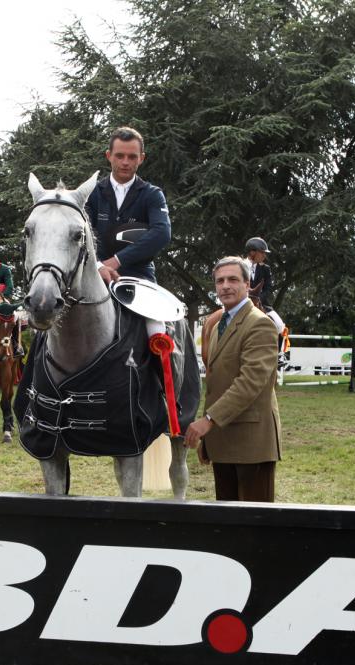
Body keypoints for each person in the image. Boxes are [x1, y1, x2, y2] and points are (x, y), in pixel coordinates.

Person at [184, 256, 281, 502]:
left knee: (254, 529)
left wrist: (208, 421)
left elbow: (249, 383)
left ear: (247, 284)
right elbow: (218, 383)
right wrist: (210, 437)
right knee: (227, 527)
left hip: (251, 444)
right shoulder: (217, 326)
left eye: (233, 279)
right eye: (219, 281)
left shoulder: (260, 324)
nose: (225, 286)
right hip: (223, 440)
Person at [86, 127, 171, 286]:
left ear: (141, 158)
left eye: (132, 157)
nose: (125, 162)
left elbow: (162, 233)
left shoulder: (152, 194)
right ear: (108, 156)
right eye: (119, 156)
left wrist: (117, 260)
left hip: (139, 278)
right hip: (95, 276)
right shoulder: (91, 193)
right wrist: (98, 265)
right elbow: (80, 235)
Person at [245, 237, 286, 336]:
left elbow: (268, 289)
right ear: (252, 252)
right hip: (240, 303)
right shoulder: (240, 266)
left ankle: (279, 352)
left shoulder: (265, 269)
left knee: (280, 326)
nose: (264, 255)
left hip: (261, 303)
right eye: (262, 252)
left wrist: (258, 299)